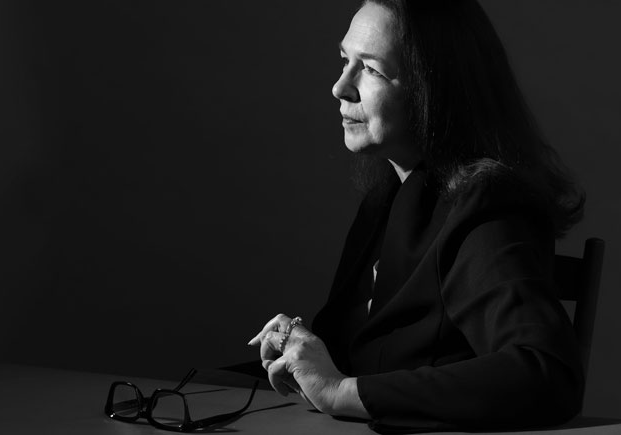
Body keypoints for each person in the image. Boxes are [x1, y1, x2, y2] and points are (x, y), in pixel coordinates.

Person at [247, 0, 586, 432]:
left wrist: (339, 391)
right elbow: (363, 359)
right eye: (344, 61)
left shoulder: (488, 203)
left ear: (434, 89)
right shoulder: (386, 197)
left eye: (371, 69)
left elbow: (547, 375)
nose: (340, 87)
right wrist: (301, 352)